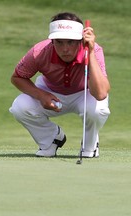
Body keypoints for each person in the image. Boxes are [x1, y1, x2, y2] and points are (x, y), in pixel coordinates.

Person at [9, 12, 110, 157]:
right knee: (20, 107)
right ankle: (51, 140)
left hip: (85, 93)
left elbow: (100, 94)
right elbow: (17, 77)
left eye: (71, 42)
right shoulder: (40, 51)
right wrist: (41, 95)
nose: (65, 49)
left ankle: (90, 144)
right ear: (52, 41)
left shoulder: (94, 50)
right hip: (50, 91)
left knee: (97, 110)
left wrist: (91, 53)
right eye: (59, 42)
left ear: (80, 40)